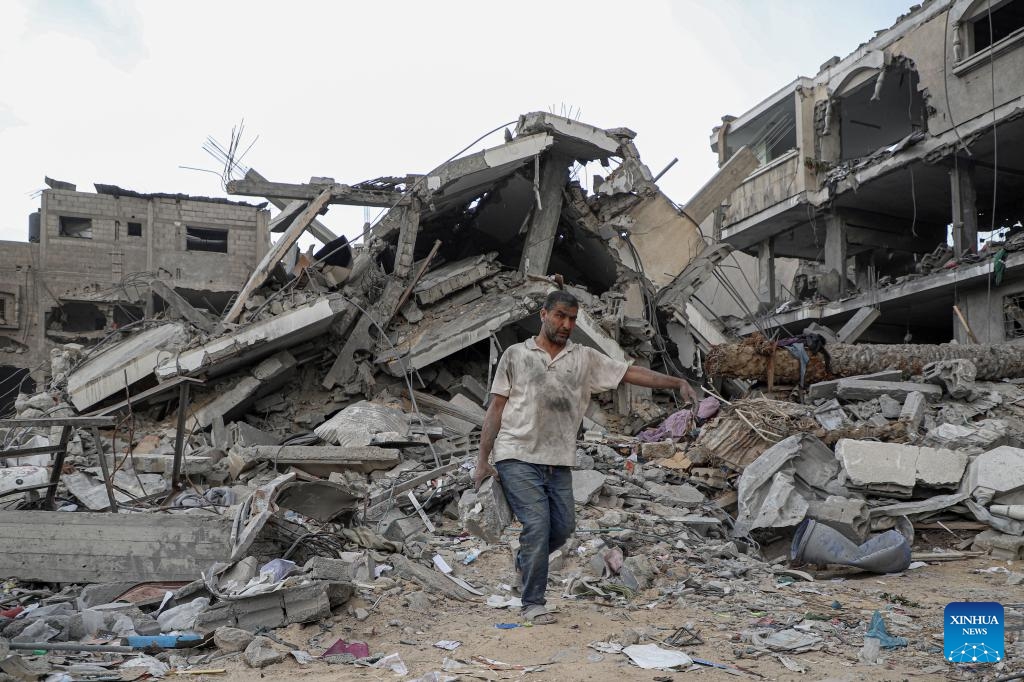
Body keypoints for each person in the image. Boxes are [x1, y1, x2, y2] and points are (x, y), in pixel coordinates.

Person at [472, 290, 699, 624]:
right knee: (537, 524)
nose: (566, 324)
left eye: (572, 319)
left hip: (558, 458)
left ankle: (525, 562)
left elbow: (630, 373)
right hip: (515, 453)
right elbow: (496, 408)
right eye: (560, 316)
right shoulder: (515, 355)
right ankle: (533, 601)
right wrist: (482, 458)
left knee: (562, 529)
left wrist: (676, 381)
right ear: (543, 314)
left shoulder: (584, 358)